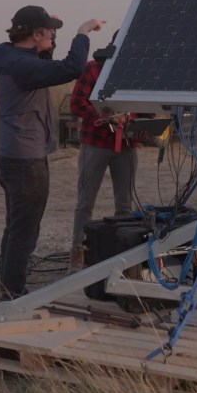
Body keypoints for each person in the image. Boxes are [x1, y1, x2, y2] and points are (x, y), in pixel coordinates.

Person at [0, 5, 104, 299]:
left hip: (12, 156)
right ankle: (13, 295)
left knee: (16, 225)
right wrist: (82, 33)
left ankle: (10, 286)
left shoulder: (12, 58)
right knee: (25, 231)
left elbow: (44, 60)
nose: (52, 36)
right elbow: (71, 68)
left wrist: (53, 29)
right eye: (49, 32)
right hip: (26, 161)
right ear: (35, 35)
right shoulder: (22, 66)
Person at [68, 33, 146, 271]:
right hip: (96, 143)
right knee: (85, 202)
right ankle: (77, 257)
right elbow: (77, 102)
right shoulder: (93, 69)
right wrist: (103, 117)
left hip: (127, 146)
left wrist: (139, 123)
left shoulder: (140, 71)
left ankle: (122, 257)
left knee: (125, 205)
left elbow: (147, 107)